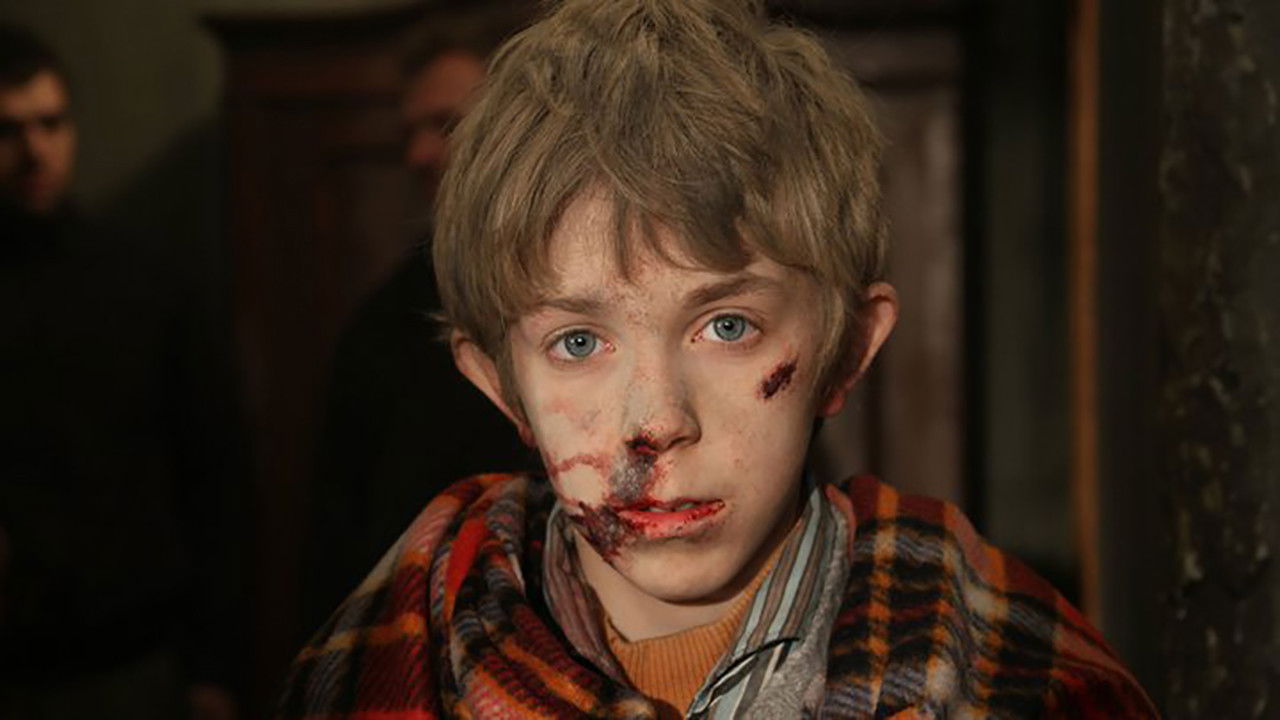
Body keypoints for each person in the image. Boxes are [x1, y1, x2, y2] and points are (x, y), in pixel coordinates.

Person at [280, 1, 1156, 717]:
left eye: (728, 326)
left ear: (848, 349)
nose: (656, 422)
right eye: (578, 343)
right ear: (500, 386)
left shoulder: (1026, 684)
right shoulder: (371, 674)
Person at [0, 24, 244, 720]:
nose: (35, 150)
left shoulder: (144, 285)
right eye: (8, 130)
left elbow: (216, 481)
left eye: (51, 124)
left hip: (133, 658)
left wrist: (216, 668)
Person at [302, 5, 537, 635]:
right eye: (411, 131)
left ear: (518, 125)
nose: (418, 153)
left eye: (445, 124)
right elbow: (340, 538)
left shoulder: (591, 282)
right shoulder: (385, 321)